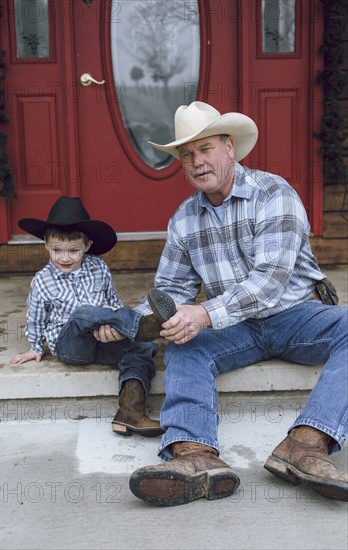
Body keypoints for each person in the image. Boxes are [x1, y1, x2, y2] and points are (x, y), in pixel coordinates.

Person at [98, 101, 347, 505]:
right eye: (186, 154)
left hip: (296, 315)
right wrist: (131, 322)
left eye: (206, 148)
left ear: (230, 147)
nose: (196, 161)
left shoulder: (273, 194)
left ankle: (306, 445)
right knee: (186, 345)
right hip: (237, 328)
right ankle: (194, 455)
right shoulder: (183, 219)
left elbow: (270, 282)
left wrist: (204, 312)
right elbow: (172, 289)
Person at [10, 196, 176, 438]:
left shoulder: (98, 268)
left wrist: (115, 326)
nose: (64, 258)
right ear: (46, 244)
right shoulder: (42, 280)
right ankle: (142, 325)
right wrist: (35, 347)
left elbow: (113, 302)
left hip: (102, 340)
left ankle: (130, 413)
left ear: (87, 246)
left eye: (73, 250)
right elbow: (36, 316)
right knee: (83, 312)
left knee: (141, 348)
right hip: (71, 345)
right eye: (56, 250)